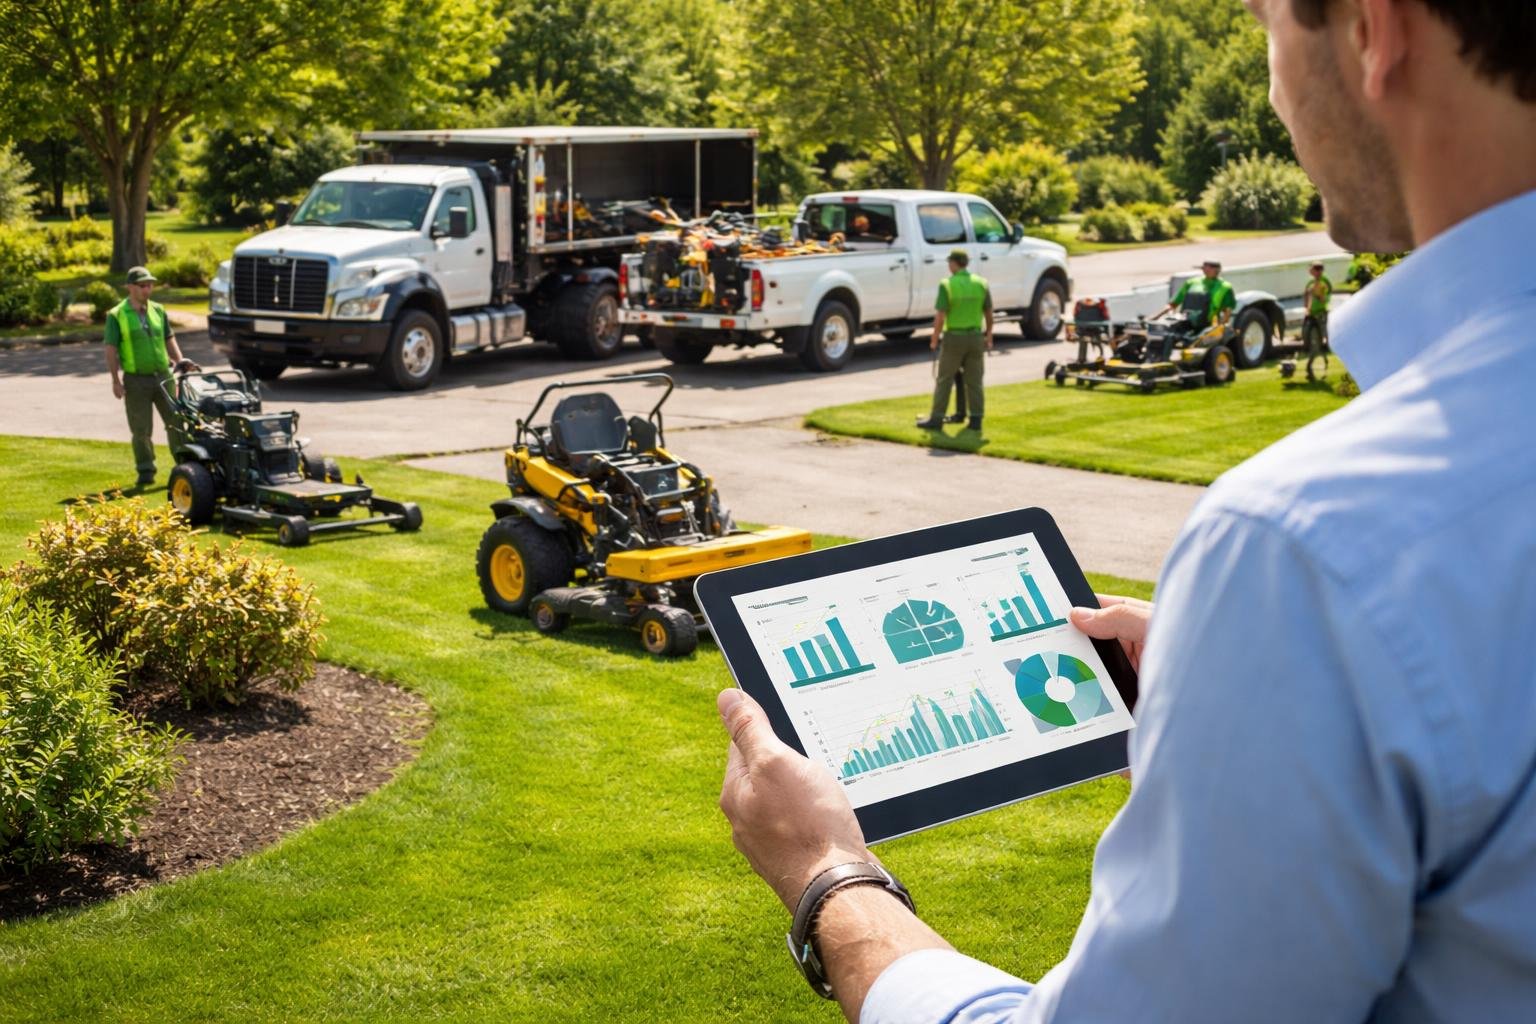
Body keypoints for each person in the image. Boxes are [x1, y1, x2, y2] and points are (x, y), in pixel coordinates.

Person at [717, 1, 1536, 1021]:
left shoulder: (1312, 548)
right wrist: (1247, 672)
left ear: (1375, 30)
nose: (1275, 87)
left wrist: (829, 874)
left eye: (1267, 24)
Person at [104, 266, 197, 485]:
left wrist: (180, 360)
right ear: (130, 287)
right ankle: (146, 470)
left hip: (164, 376)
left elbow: (168, 338)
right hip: (136, 380)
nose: (147, 289)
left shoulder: (158, 310)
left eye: (150, 285)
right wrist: (115, 381)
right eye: (142, 285)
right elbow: (110, 349)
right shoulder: (117, 315)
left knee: (176, 422)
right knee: (141, 429)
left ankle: (185, 466)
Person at [915, 250, 991, 433]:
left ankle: (936, 418)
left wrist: (934, 338)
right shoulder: (981, 283)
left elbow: (940, 315)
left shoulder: (947, 284)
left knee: (945, 379)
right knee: (974, 381)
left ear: (954, 263)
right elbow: (989, 312)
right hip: (975, 337)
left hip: (954, 338)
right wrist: (989, 334)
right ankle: (976, 419)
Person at [1156, 259, 1235, 329]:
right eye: (1205, 268)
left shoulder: (1225, 287)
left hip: (1209, 326)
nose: (1207, 270)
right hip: (1184, 322)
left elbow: (1227, 310)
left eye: (1211, 268)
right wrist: (1157, 316)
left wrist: (1221, 327)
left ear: (1218, 270)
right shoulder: (1191, 282)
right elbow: (1173, 304)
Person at [1302, 259, 1333, 372]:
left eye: (1313, 269)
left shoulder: (1324, 282)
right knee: (1310, 338)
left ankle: (1314, 363)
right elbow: (1306, 296)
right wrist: (1306, 305)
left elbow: (1324, 299)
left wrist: (1317, 293)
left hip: (1321, 314)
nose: (1311, 271)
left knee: (1321, 339)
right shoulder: (1310, 282)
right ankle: (1317, 360)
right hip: (1311, 315)